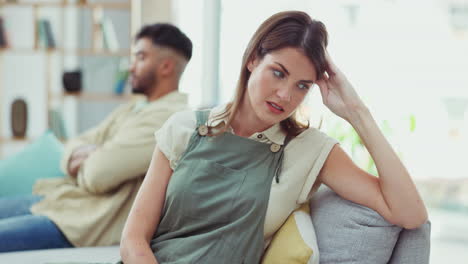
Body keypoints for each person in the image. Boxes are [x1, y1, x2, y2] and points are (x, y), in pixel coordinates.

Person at [120, 11, 428, 264]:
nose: (285, 95)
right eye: (278, 73)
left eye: (302, 86)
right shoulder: (184, 128)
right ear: (253, 59)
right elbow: (134, 239)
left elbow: (410, 214)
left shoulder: (309, 150)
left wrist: (357, 112)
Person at [0, 23, 193, 252]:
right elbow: (71, 146)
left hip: (83, 223)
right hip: (60, 201)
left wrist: (90, 157)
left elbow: (97, 175)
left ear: (166, 66)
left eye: (140, 58)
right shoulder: (134, 109)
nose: (131, 67)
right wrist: (89, 153)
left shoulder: (168, 119)